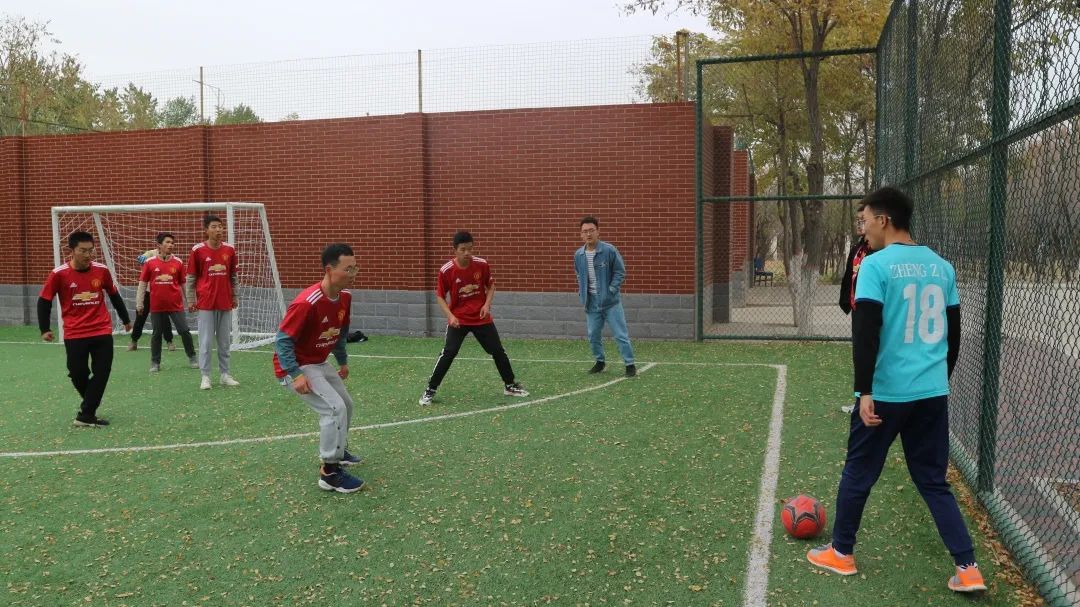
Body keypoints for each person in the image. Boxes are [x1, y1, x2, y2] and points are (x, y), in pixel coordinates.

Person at [807, 187, 986, 593]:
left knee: (859, 471)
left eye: (864, 220)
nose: (863, 228)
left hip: (886, 394)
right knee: (933, 481)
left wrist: (864, 391)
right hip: (931, 393)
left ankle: (841, 552)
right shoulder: (942, 267)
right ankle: (968, 568)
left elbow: (866, 332)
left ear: (883, 220)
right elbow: (953, 335)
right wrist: (938, 381)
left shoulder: (874, 265)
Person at [274, 243, 364, 493]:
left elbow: (340, 333)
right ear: (329, 270)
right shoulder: (307, 302)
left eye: (355, 268)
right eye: (348, 269)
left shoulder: (345, 297)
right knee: (333, 409)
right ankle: (329, 472)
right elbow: (282, 340)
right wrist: (295, 374)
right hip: (295, 366)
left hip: (319, 362)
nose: (353, 274)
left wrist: (342, 361)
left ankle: (339, 451)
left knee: (346, 404)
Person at [419, 231, 528, 406]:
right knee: (449, 352)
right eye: (463, 249)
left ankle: (510, 385)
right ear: (455, 250)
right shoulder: (446, 270)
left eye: (470, 249)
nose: (467, 253)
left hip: (481, 318)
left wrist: (486, 305)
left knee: (497, 351)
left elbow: (491, 286)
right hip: (459, 320)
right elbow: (440, 296)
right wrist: (450, 316)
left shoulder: (482, 264)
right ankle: (430, 390)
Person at [38, 231, 132, 427]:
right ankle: (91, 401)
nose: (88, 255)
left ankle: (86, 414)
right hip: (75, 332)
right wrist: (44, 328)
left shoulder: (101, 270)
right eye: (83, 251)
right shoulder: (59, 274)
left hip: (101, 330)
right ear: (72, 251)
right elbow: (44, 300)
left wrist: (125, 319)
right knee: (77, 372)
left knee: (102, 371)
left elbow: (114, 295)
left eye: (91, 250)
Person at [574, 216, 636, 377]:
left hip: (611, 302)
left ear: (598, 232)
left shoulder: (609, 250)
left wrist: (611, 289)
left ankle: (630, 364)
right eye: (585, 231)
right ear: (581, 234)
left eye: (591, 230)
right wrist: (582, 292)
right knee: (593, 335)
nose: (588, 234)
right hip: (591, 302)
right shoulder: (579, 255)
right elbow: (579, 274)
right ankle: (600, 362)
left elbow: (620, 271)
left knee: (620, 334)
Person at [185, 214, 240, 390]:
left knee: (224, 342)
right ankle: (206, 376)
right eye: (214, 227)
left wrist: (235, 296)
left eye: (220, 226)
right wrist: (191, 300)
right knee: (206, 342)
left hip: (225, 301)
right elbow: (191, 278)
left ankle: (225, 375)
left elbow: (233, 276)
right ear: (206, 230)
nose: (218, 230)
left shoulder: (230, 250)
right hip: (206, 303)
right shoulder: (197, 250)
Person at [137, 232, 198, 373]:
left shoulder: (178, 262)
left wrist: (190, 301)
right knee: (156, 334)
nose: (171, 245)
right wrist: (139, 303)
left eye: (172, 243)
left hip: (175, 305)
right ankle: (155, 362)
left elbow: (184, 284)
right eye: (168, 242)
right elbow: (142, 284)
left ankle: (192, 357)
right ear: (159, 245)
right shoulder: (149, 263)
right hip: (157, 306)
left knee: (184, 331)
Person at [838, 206, 873, 413]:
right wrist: (846, 300)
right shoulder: (858, 248)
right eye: (857, 219)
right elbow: (849, 276)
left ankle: (869, 400)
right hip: (857, 309)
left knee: (869, 355)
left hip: (871, 311)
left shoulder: (877, 251)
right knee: (859, 355)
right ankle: (860, 400)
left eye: (863, 219)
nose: (859, 223)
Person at [128, 244, 175, 352]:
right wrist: (141, 258)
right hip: (148, 292)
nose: (168, 245)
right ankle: (134, 341)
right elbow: (143, 257)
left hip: (161, 293)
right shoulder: (151, 254)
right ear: (159, 245)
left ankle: (169, 341)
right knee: (140, 316)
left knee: (164, 318)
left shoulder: (171, 258)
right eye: (165, 242)